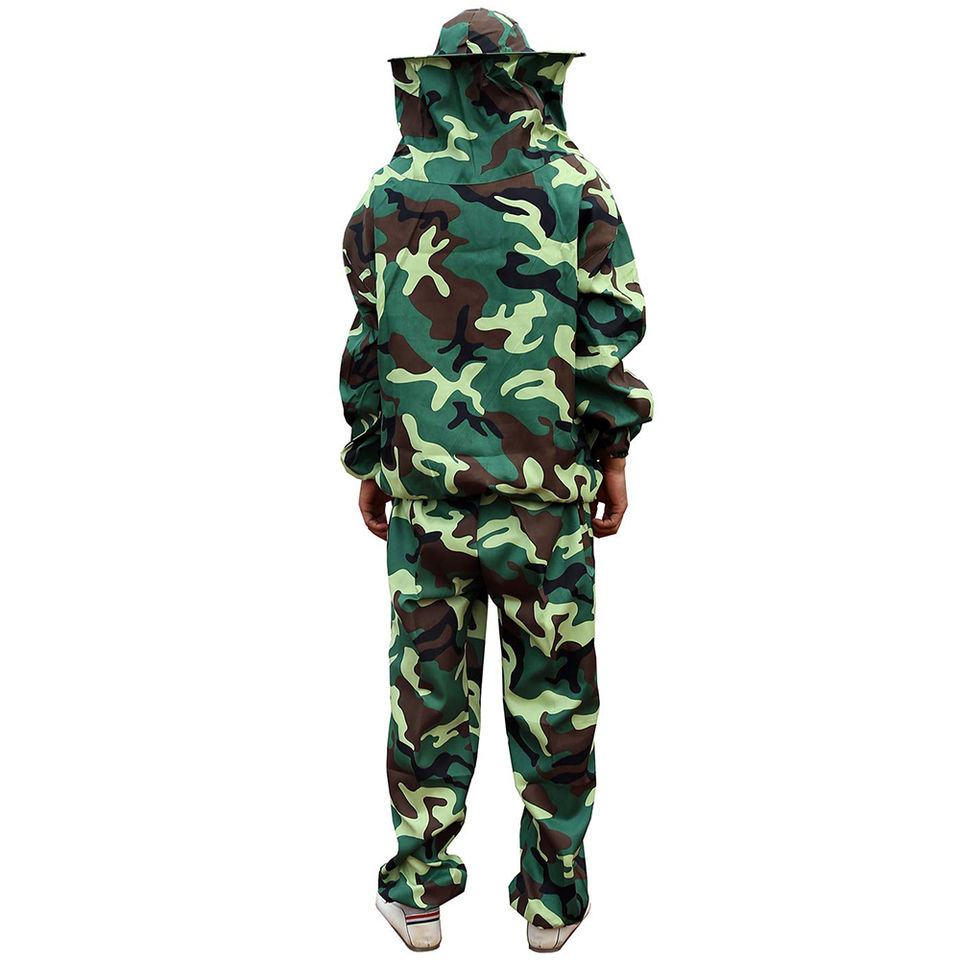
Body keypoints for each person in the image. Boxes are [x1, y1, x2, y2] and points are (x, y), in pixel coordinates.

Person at [339, 9, 653, 952]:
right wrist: (613, 453)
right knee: (553, 697)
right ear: (526, 75)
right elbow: (610, 329)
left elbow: (367, 337)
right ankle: (552, 906)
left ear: (434, 79)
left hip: (427, 500)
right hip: (544, 500)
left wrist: (370, 457)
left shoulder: (391, 188)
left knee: (427, 698)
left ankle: (419, 893)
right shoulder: (574, 182)